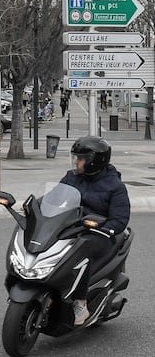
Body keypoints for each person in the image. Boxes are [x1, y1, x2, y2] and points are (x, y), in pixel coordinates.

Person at [58, 136, 130, 326]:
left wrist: (102, 228)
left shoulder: (115, 186)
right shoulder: (71, 177)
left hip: (98, 234)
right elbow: (57, 198)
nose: (76, 162)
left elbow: (120, 219)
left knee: (82, 252)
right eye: (76, 157)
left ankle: (80, 303)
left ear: (93, 161)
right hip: (71, 228)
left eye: (80, 158)